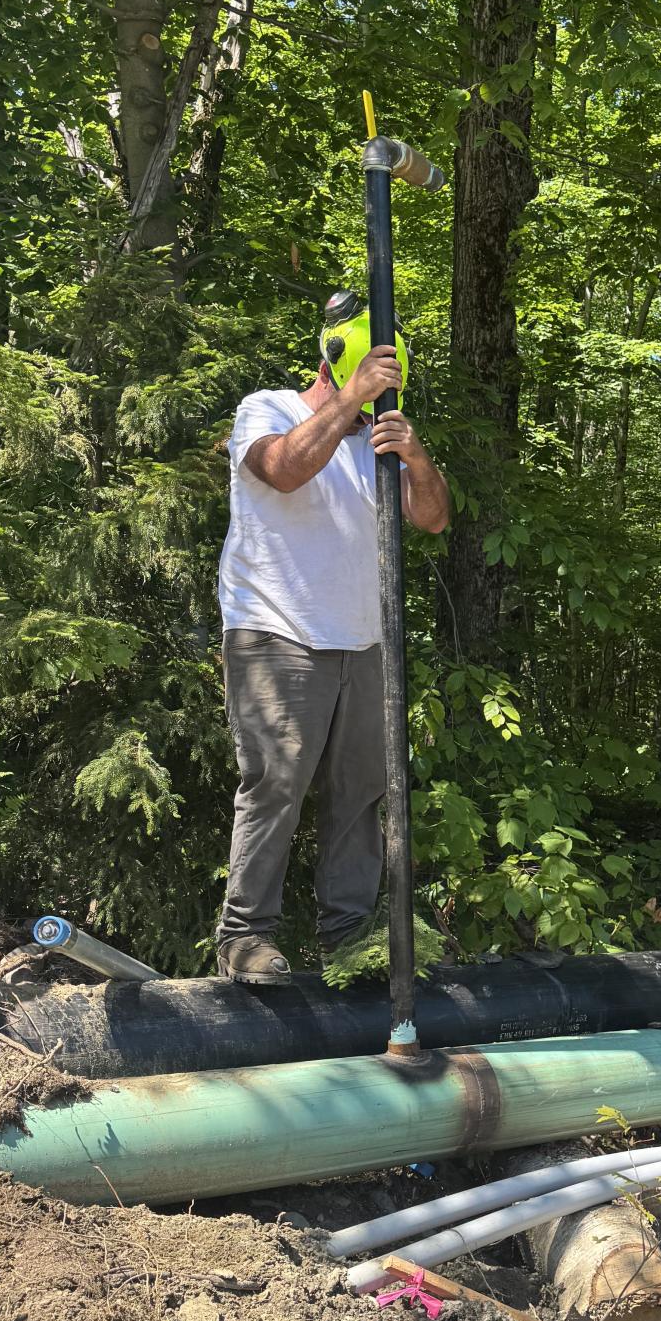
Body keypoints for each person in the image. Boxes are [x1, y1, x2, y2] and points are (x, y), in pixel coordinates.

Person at [213, 296, 451, 984]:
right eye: (373, 374)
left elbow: (432, 519)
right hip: (276, 628)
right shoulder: (269, 408)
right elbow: (282, 470)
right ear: (337, 362)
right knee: (275, 784)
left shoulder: (377, 436)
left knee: (362, 791)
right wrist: (350, 402)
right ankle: (245, 938)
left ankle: (346, 939)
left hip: (364, 641)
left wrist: (413, 452)